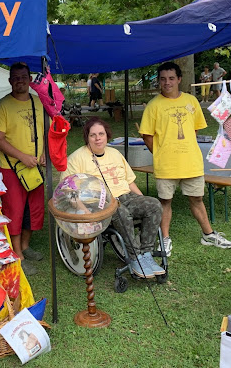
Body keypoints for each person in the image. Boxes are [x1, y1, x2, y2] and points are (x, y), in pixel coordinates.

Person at [139, 62, 231, 257]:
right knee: (165, 201)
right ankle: (165, 239)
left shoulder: (191, 101)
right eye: (163, 79)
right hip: (166, 164)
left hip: (191, 162)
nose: (167, 83)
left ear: (179, 79)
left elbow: (195, 129)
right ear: (159, 81)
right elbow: (147, 135)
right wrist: (160, 152)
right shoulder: (153, 105)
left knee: (197, 199)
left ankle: (208, 234)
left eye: (171, 78)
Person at [60, 117, 165, 278]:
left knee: (154, 204)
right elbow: (68, 190)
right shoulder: (76, 158)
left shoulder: (115, 154)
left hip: (125, 196)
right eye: (93, 135)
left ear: (107, 135)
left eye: (101, 134)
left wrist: (142, 200)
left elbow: (130, 182)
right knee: (119, 212)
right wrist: (85, 211)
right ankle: (135, 256)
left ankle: (146, 255)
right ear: (87, 137)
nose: (97, 138)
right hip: (99, 203)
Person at [0, 62, 46, 276]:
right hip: (12, 168)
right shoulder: (3, 106)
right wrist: (22, 156)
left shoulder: (39, 103)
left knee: (33, 210)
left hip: (35, 167)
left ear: (30, 80)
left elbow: (47, 131)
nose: (20, 81)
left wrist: (44, 154)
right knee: (14, 210)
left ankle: (25, 245)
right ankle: (18, 255)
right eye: (15, 77)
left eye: (23, 77)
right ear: (10, 80)